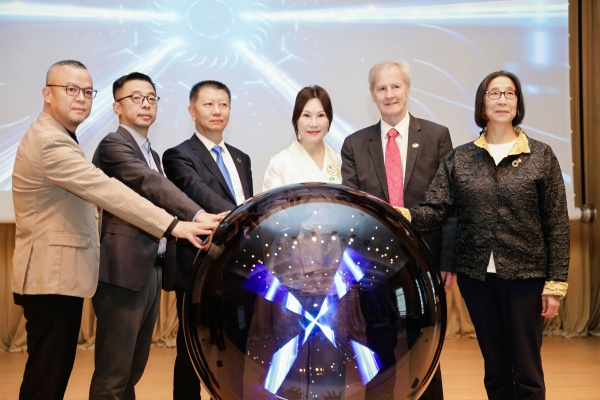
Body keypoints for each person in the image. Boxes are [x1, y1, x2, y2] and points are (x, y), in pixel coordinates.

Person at [11, 60, 214, 400]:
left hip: (63, 277)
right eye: (71, 89)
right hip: (52, 276)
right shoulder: (51, 142)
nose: (81, 98)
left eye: (87, 91)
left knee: (66, 377)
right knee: (51, 381)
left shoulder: (62, 137)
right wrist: (174, 225)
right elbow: (108, 191)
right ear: (47, 93)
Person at [397, 70, 569, 400]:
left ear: (518, 103)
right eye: (494, 93)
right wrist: (401, 215)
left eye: (509, 93)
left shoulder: (541, 155)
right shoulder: (461, 158)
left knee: (527, 368)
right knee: (495, 367)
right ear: (482, 102)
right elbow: (435, 210)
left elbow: (557, 224)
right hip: (477, 279)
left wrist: (555, 283)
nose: (502, 100)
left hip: (527, 277)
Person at [89, 72, 223, 399]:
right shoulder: (113, 145)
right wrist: (197, 215)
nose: (146, 104)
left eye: (151, 98)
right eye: (135, 98)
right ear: (117, 107)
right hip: (123, 272)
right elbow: (151, 184)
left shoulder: (153, 153)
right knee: (114, 374)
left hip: (150, 269)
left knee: (132, 369)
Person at [341, 60, 456, 400]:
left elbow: (450, 206)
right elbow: (352, 211)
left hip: (425, 262)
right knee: (379, 349)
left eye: (395, 86)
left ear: (407, 89)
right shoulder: (354, 144)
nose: (389, 94)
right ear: (372, 94)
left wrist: (447, 262)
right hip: (374, 267)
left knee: (425, 346)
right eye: (382, 88)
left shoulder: (436, 136)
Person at [162, 80, 253, 400]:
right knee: (191, 351)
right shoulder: (177, 156)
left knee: (236, 346)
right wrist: (243, 217)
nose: (217, 111)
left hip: (238, 267)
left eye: (223, 104)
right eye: (209, 104)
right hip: (198, 265)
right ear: (192, 111)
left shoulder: (241, 158)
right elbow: (200, 194)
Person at [262, 85, 341, 190]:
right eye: (306, 115)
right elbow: (273, 200)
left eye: (320, 115)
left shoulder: (339, 161)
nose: (314, 124)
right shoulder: (279, 164)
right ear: (296, 119)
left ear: (329, 119)